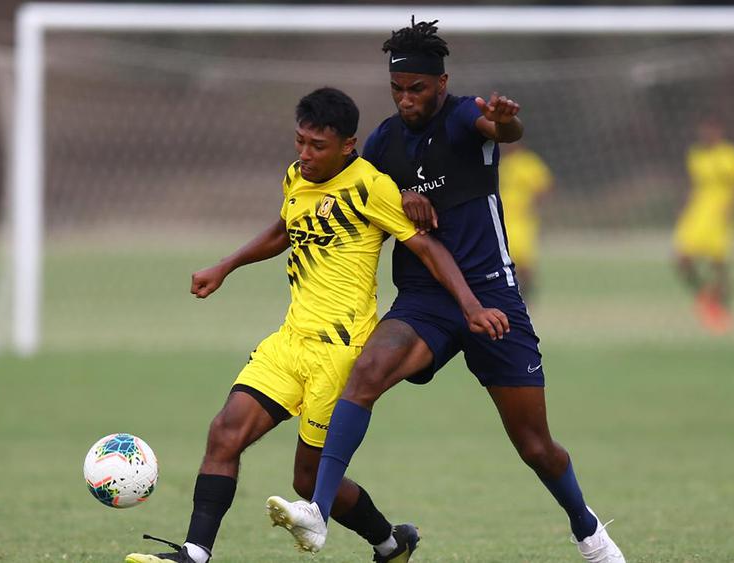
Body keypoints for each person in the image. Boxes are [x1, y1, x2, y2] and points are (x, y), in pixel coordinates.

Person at [267, 19, 625, 563]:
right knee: (364, 376)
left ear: (442, 82)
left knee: (536, 447)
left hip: (493, 298)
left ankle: (588, 531)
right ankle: (317, 511)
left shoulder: (463, 116)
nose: (407, 100)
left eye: (417, 89)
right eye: (397, 90)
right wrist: (403, 191)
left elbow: (500, 131)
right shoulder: (385, 140)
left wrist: (506, 123)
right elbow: (359, 188)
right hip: (425, 302)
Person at [124, 87, 507, 563]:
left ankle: (391, 542)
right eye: (300, 141)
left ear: (348, 145)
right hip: (289, 342)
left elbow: (428, 248)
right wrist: (225, 265)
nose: (304, 154)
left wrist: (470, 305)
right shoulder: (296, 178)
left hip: (339, 351)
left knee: (307, 481)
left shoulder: (370, 186)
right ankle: (195, 554)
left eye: (316, 146)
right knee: (225, 433)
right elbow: (284, 229)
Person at [673, 116, 734, 334]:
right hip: (698, 214)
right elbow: (693, 185)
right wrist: (683, 208)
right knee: (681, 259)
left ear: (719, 130)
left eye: (711, 129)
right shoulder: (695, 155)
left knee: (719, 266)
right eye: (703, 129)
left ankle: (723, 313)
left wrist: (733, 208)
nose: (706, 134)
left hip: (720, 215)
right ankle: (705, 297)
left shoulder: (730, 155)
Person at [498, 142, 554, 302]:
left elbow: (544, 187)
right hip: (502, 220)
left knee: (524, 265)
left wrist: (533, 205)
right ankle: (509, 298)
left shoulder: (528, 162)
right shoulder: (499, 163)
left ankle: (526, 299)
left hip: (522, 221)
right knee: (504, 262)